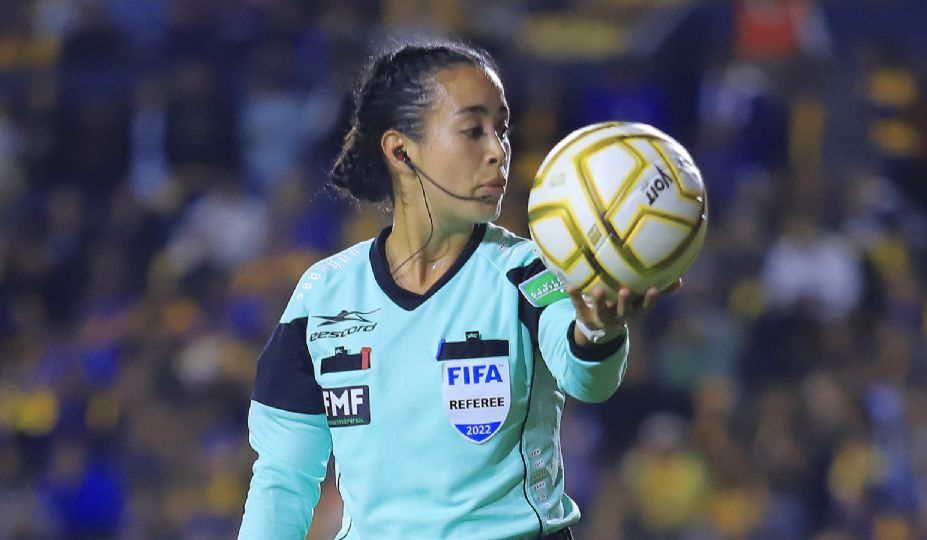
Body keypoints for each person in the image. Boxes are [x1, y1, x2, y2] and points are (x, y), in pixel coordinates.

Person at [238, 40, 674, 540]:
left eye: (501, 130)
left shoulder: (529, 271)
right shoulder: (321, 296)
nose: (498, 151)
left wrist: (597, 330)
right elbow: (282, 479)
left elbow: (586, 379)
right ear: (401, 150)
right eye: (473, 130)